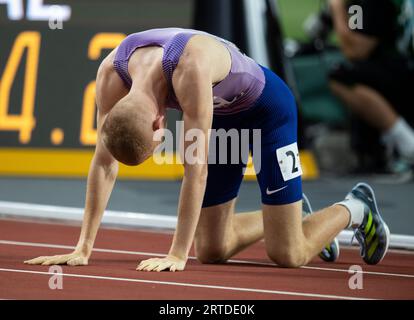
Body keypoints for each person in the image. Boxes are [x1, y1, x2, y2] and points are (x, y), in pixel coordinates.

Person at [24, 28, 389, 271]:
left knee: (289, 254)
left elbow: (194, 169)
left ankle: (355, 207)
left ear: (158, 125)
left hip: (268, 113)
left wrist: (176, 254)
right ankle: (287, 214)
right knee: (212, 250)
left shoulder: (189, 69)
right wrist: (82, 247)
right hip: (221, 115)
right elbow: (103, 164)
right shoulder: (110, 74)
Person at [329, 0, 414, 171]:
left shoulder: (369, 3)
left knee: (342, 77)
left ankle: (408, 144)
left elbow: (355, 51)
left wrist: (337, 9)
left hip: (404, 69)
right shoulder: (359, 5)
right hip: (398, 63)